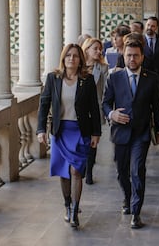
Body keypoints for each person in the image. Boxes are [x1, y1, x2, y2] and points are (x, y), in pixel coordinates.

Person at [36, 43, 101, 229]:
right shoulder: (53, 78)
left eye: (75, 56)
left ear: (80, 59)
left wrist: (96, 133)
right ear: (63, 58)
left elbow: (93, 108)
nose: (72, 59)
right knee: (63, 172)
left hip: (80, 131)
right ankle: (67, 205)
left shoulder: (86, 80)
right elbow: (44, 104)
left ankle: (75, 210)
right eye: (68, 56)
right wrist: (41, 130)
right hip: (60, 131)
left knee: (76, 171)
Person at [102, 36, 159, 229]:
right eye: (129, 55)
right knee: (122, 172)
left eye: (136, 56)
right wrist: (112, 114)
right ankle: (127, 198)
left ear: (142, 57)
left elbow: (157, 107)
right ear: (124, 55)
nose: (132, 59)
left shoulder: (151, 78)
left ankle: (136, 212)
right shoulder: (115, 77)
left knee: (137, 170)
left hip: (142, 133)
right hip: (120, 132)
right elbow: (104, 103)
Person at [81, 37, 109, 185]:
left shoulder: (103, 68)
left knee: (93, 141)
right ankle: (81, 166)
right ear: (86, 50)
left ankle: (89, 171)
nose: (99, 51)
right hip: (78, 111)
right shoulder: (78, 66)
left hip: (95, 109)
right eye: (95, 49)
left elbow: (105, 91)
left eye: (100, 49)